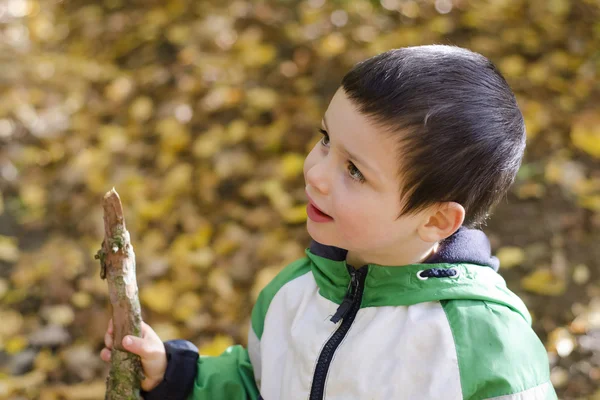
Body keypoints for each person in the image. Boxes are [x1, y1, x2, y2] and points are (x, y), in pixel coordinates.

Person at [100, 45, 557, 400]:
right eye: (325, 140)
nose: (315, 174)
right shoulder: (294, 293)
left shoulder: (486, 346)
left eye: (355, 170)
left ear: (436, 218)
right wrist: (178, 376)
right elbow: (262, 385)